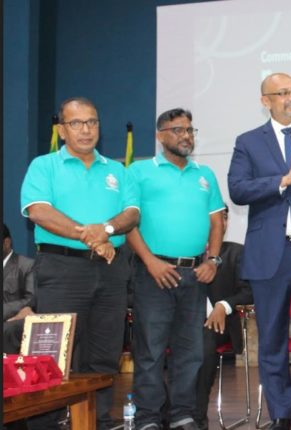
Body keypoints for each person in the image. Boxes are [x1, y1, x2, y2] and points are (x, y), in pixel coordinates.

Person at [20, 97, 140, 429]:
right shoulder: (44, 166)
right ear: (61, 130)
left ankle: (95, 420)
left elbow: (132, 213)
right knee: (52, 353)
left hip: (111, 271)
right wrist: (91, 237)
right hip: (62, 268)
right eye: (76, 123)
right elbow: (38, 211)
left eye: (92, 122)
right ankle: (47, 423)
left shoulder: (117, 170)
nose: (86, 129)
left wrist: (107, 230)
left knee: (104, 352)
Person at [227, 72, 291, 430]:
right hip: (270, 253)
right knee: (271, 339)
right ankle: (280, 414)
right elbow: (238, 189)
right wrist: (282, 181)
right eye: (282, 93)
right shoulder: (249, 141)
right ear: (265, 101)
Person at [127, 108, 224, 430]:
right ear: (160, 135)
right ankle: (148, 418)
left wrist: (213, 261)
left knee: (190, 352)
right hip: (154, 273)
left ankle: (183, 414)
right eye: (178, 130)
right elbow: (128, 222)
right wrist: (150, 261)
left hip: (195, 274)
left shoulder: (204, 174)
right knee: (151, 351)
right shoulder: (139, 172)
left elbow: (217, 221)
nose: (186, 136)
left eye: (190, 130)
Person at [194, 206, 253, 430]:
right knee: (149, 342)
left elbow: (250, 291)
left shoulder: (236, 253)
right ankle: (167, 411)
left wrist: (224, 305)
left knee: (203, 342)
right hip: (181, 323)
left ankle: (197, 416)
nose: (219, 222)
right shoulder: (183, 253)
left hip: (218, 326)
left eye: (223, 218)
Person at [3, 223, 36, 354]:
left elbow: (31, 299)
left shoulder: (27, 265)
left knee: (7, 329)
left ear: (6, 243)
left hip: (15, 318)